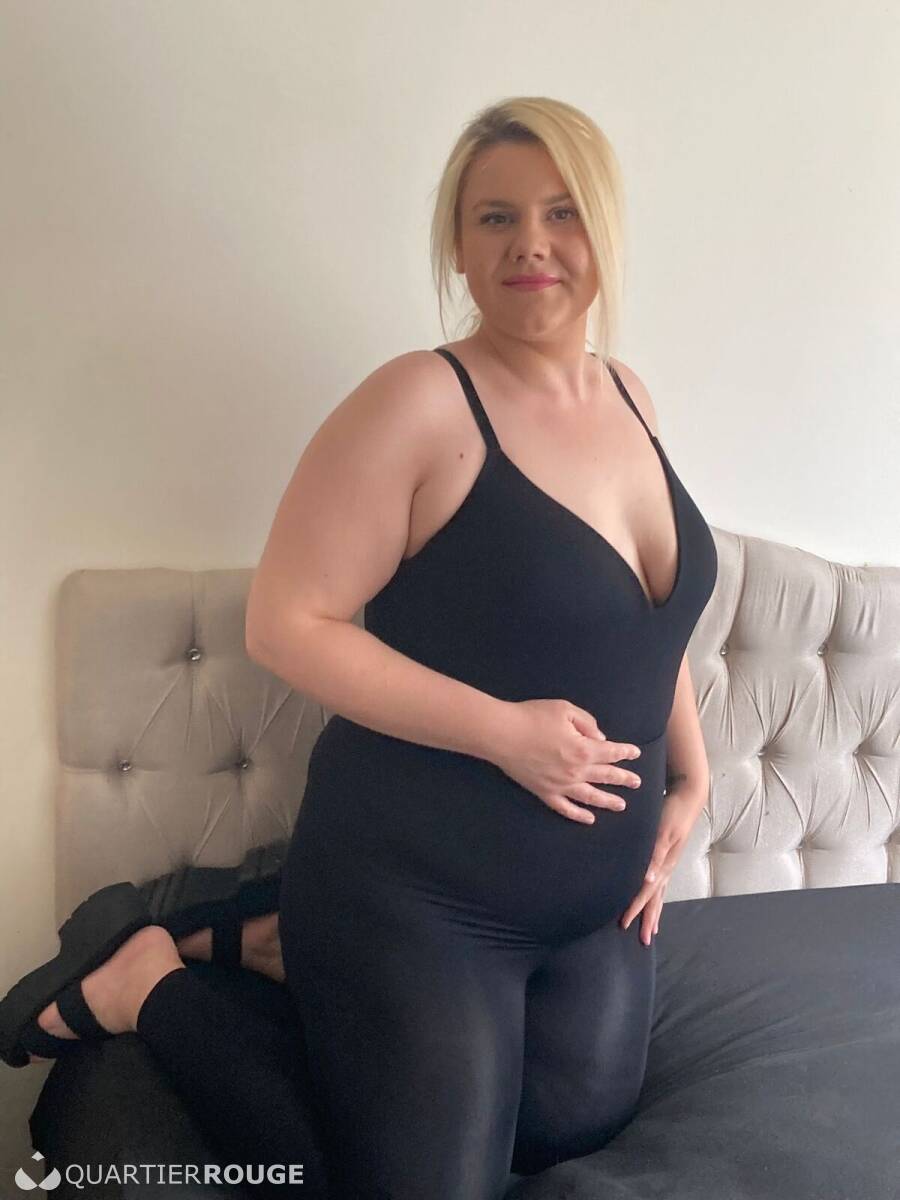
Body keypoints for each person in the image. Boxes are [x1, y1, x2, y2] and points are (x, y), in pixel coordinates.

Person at [12, 95, 719, 1200]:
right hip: (422, 893)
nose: (530, 244)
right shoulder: (420, 404)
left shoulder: (634, 398)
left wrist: (693, 773)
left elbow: (648, 623)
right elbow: (286, 624)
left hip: (593, 902)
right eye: (495, 218)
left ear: (606, 229)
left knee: (572, 1126)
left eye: (562, 212)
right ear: (458, 248)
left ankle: (256, 934)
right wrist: (505, 733)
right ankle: (150, 979)